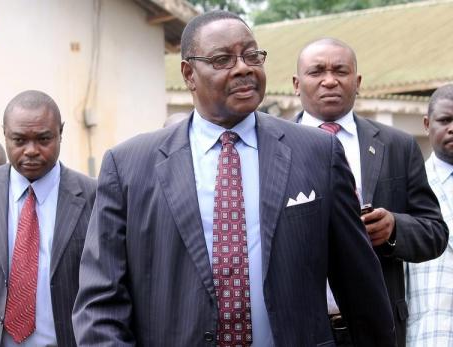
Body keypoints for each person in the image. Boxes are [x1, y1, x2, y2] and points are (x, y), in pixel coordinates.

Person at [73, 11, 396, 346]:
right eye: (222, 59)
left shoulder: (317, 153)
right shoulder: (128, 167)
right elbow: (101, 304)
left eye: (252, 55)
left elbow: (362, 289)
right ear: (189, 73)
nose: (243, 67)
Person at [292, 38, 448, 347]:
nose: (329, 80)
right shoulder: (272, 147)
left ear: (358, 81)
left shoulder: (397, 146)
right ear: (297, 84)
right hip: (299, 329)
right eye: (316, 72)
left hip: (377, 328)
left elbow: (435, 233)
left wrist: (393, 229)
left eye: (340, 71)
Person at [0, 90, 96, 347]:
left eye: (43, 139)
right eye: (19, 140)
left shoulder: (94, 198)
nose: (31, 151)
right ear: (4, 134)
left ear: (60, 133)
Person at [406, 84, 453, 346]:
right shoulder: (407, 187)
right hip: (427, 333)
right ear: (427, 124)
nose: (452, 128)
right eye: (445, 120)